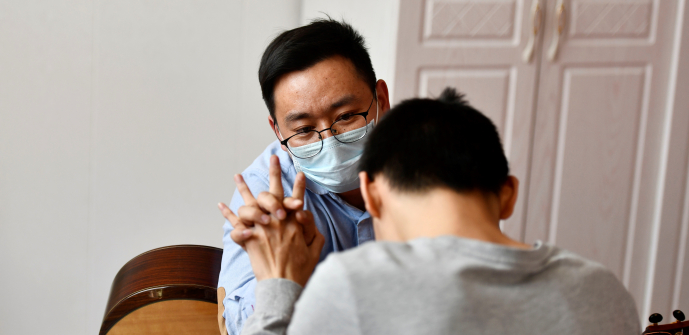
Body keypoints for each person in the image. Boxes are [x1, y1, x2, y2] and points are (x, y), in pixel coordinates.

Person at [219, 88, 641, 334]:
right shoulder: (603, 292)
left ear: (372, 193)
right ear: (509, 195)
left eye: (347, 117)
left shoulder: (354, 286)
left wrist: (277, 283)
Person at [216, 18, 391, 334]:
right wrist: (282, 276)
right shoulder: (266, 200)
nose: (330, 140)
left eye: (347, 116)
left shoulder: (430, 169)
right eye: (304, 130)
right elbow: (242, 327)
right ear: (278, 130)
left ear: (381, 99)